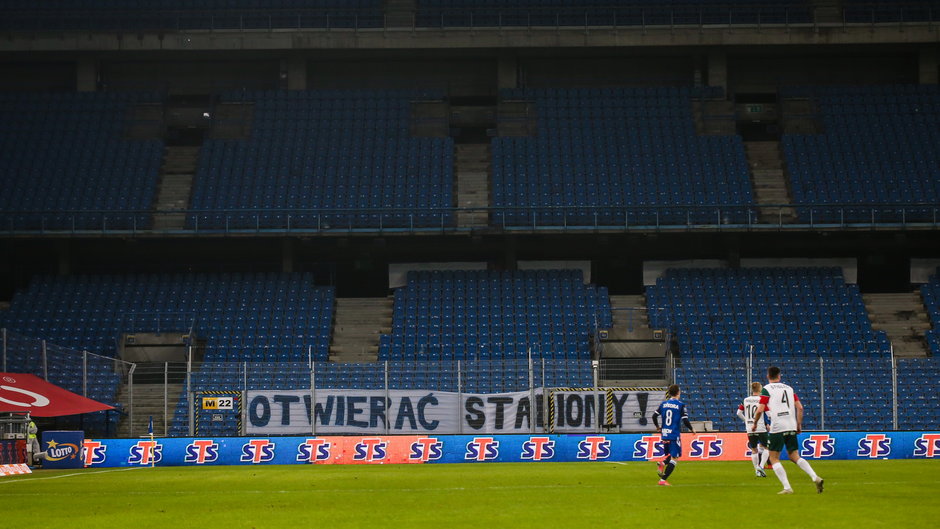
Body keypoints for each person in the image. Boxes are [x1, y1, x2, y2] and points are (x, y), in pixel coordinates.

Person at [752, 366, 824, 494]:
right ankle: (814, 476)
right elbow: (800, 408)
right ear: (779, 376)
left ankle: (787, 487)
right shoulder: (789, 389)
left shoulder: (766, 389)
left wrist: (755, 423)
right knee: (794, 455)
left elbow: (760, 409)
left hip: (777, 426)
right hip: (791, 425)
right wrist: (799, 424)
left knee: (774, 458)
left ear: (768, 376)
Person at [651, 384, 694, 486]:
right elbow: (685, 420)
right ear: (678, 392)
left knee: (672, 454)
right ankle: (663, 480)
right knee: (675, 457)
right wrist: (692, 429)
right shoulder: (680, 405)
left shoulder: (663, 404)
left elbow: (654, 416)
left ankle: (663, 463)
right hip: (674, 434)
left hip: (665, 434)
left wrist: (657, 427)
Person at [737, 381, 771, 477]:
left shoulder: (746, 400)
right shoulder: (762, 400)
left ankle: (757, 470)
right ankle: (761, 466)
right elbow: (769, 414)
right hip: (760, 427)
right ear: (760, 389)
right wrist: (769, 423)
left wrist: (747, 420)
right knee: (767, 448)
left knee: (754, 449)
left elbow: (738, 413)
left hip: (749, 428)